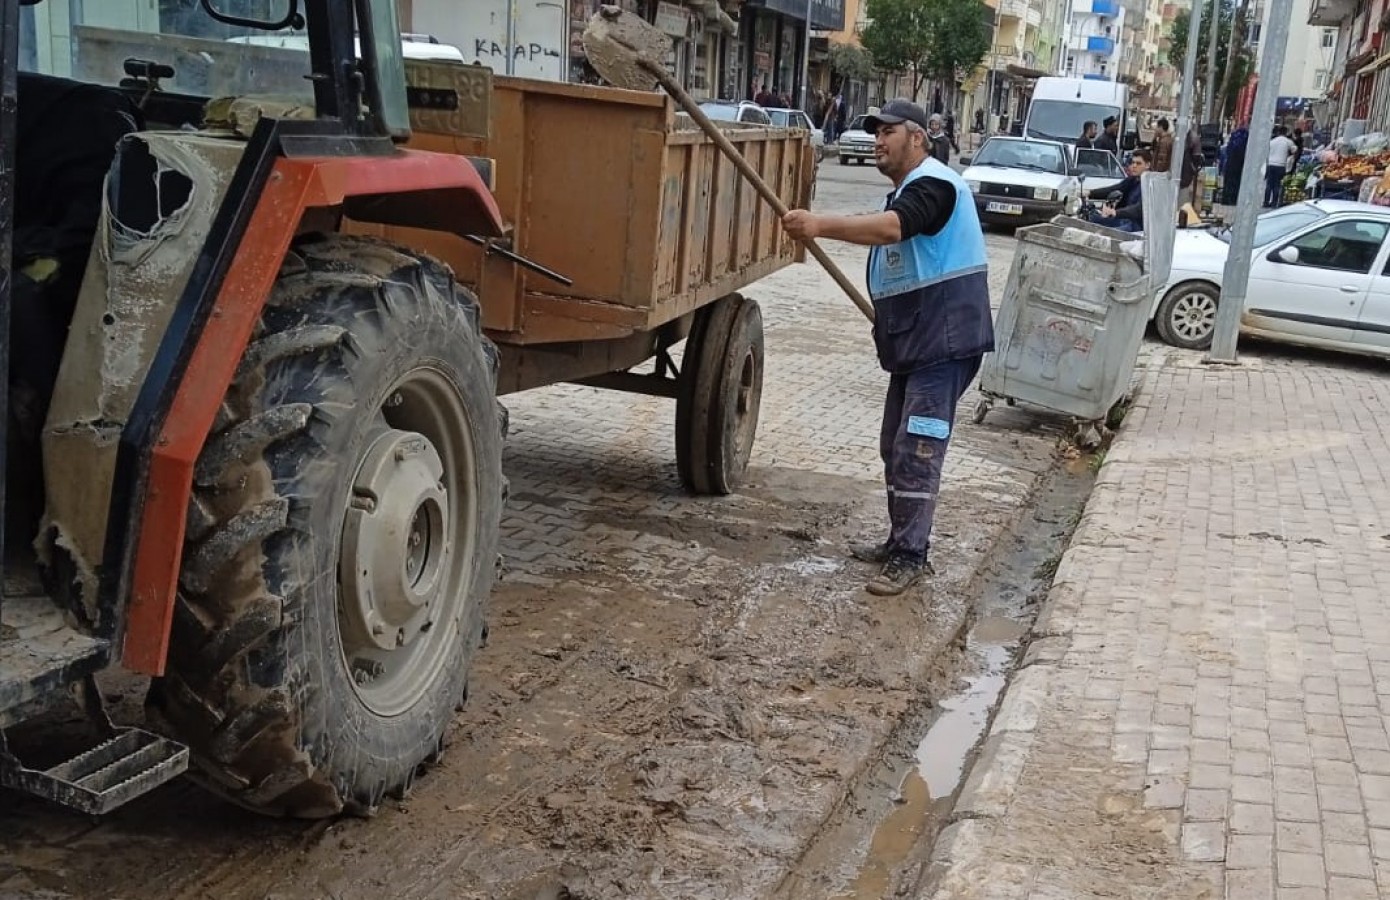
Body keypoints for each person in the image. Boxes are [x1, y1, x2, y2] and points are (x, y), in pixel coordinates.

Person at [780, 99, 993, 596]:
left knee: (918, 447)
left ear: (916, 138)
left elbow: (896, 227)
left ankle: (910, 556)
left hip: (944, 341)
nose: (878, 141)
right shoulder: (907, 189)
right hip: (918, 340)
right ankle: (900, 540)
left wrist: (819, 225)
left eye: (887, 132)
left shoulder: (936, 185)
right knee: (893, 445)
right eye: (875, 133)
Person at [1085, 148, 1151, 233]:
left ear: (1147, 165)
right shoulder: (1132, 180)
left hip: (1137, 225)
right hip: (1124, 219)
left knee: (1106, 233)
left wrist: (1116, 212)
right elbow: (1115, 188)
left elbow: (1138, 209)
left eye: (1138, 163)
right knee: (1092, 220)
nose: (1134, 166)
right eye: (1133, 162)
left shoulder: (1150, 185)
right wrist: (1090, 193)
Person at [1265, 125, 1298, 208]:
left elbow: (1267, 151)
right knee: (1277, 185)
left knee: (1269, 185)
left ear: (1279, 132)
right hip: (1281, 165)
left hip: (1271, 164)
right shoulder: (1288, 141)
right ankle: (1274, 203)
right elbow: (1295, 150)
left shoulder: (1272, 141)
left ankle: (1266, 202)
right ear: (1286, 133)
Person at [1221, 122, 1248, 205]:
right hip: (1240, 164)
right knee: (1236, 182)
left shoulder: (1234, 136)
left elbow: (1228, 150)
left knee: (1228, 182)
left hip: (1230, 163)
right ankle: (1233, 199)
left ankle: (1225, 199)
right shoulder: (1246, 136)